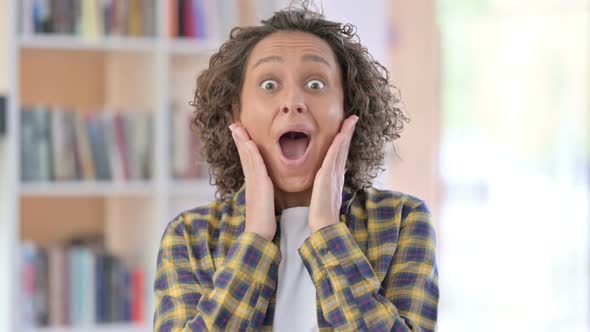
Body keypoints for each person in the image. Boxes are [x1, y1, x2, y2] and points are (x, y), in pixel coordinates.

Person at [154, 3, 439, 331]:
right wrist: (256, 239)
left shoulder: (403, 221)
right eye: (269, 85)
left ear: (348, 110)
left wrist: (327, 232)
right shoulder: (191, 236)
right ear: (236, 114)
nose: (293, 101)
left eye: (316, 84)